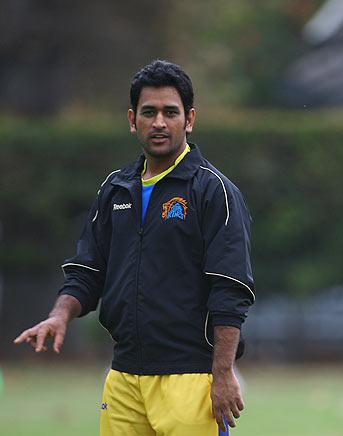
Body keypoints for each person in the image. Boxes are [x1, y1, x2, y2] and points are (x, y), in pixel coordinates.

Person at [14, 60, 255, 436]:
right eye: (149, 112)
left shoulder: (213, 191)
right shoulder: (115, 189)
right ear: (132, 119)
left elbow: (231, 287)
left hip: (190, 378)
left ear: (189, 119)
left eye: (170, 112)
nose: (159, 122)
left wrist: (222, 373)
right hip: (124, 378)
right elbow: (88, 269)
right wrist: (60, 314)